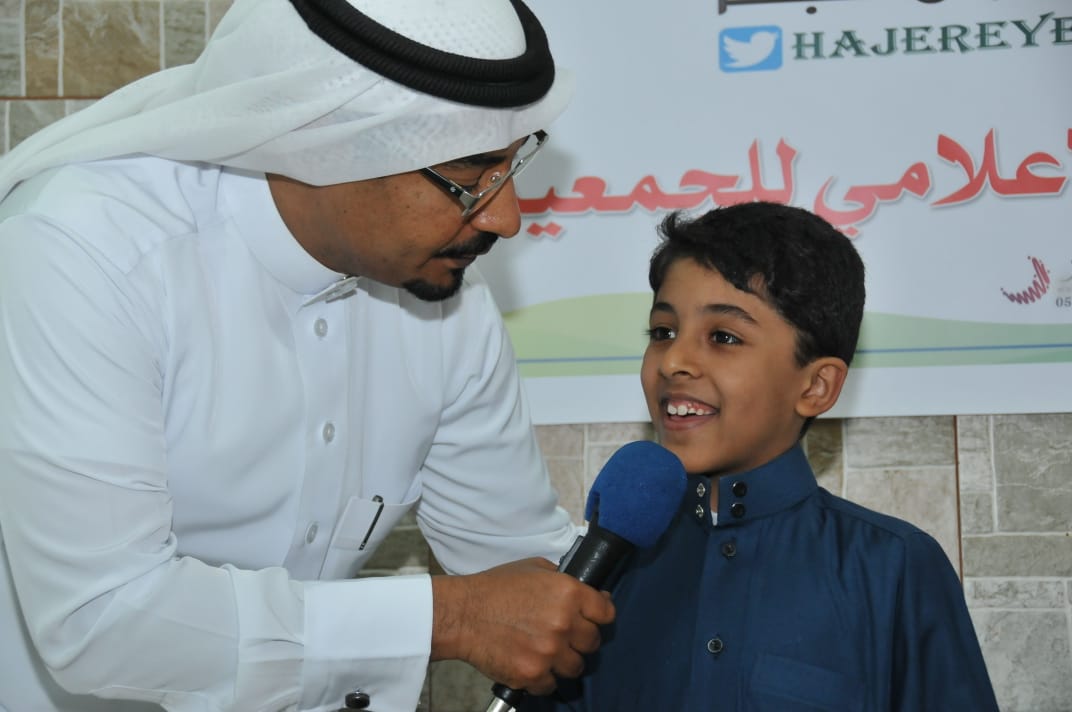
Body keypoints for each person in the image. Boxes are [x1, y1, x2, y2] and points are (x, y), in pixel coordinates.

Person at [0, 1, 615, 710]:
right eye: (469, 175)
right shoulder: (84, 254)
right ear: (327, 143)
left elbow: (519, 568)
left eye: (513, 165)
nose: (505, 217)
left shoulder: (447, 298)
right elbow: (102, 622)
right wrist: (448, 618)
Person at [522, 202, 1000, 711]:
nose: (674, 360)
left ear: (816, 386)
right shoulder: (605, 572)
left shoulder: (893, 567)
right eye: (662, 332)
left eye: (723, 337)